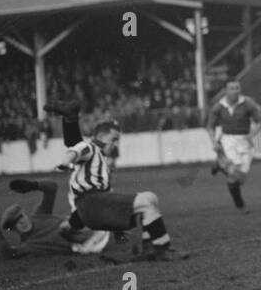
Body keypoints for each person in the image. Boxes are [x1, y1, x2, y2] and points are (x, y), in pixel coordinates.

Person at [43, 100, 179, 260]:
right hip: (91, 203)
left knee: (151, 199)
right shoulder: (91, 147)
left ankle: (149, 248)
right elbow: (75, 150)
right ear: (101, 136)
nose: (116, 144)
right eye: (114, 139)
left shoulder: (99, 161)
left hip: (90, 208)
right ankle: (163, 249)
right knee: (146, 200)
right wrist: (65, 163)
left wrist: (70, 226)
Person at [0, 178, 118, 261]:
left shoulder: (39, 214)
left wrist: (33, 185)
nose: (22, 221)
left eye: (21, 216)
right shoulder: (29, 245)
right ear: (14, 229)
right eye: (16, 223)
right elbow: (9, 253)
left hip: (97, 229)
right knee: (66, 225)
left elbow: (52, 187)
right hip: (89, 245)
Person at [207, 79, 261, 213]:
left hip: (244, 141)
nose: (235, 91)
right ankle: (241, 206)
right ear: (225, 90)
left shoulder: (248, 104)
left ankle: (220, 166)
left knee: (241, 179)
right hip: (228, 140)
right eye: (232, 88)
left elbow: (260, 121)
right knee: (233, 174)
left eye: (237, 88)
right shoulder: (218, 107)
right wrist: (214, 142)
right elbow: (210, 126)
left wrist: (251, 135)